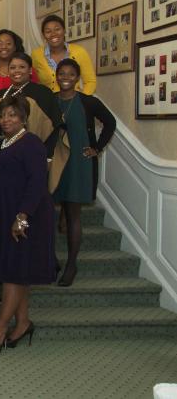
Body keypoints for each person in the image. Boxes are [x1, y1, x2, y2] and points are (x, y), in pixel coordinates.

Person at [0, 95, 55, 356]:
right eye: (2, 115)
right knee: (17, 271)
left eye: (12, 114)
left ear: (24, 118)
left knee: (14, 274)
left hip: (27, 217)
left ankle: (0, 329)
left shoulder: (32, 143)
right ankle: (22, 322)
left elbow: (37, 183)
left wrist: (22, 216)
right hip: (7, 214)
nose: (6, 119)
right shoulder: (4, 144)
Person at [54, 58, 115, 287]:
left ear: (77, 78)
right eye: (62, 73)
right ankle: (50, 260)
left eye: (71, 74)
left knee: (73, 214)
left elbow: (110, 123)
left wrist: (97, 148)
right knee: (44, 211)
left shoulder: (89, 102)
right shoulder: (50, 101)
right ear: (56, 76)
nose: (66, 77)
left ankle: (71, 264)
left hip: (80, 163)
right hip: (55, 163)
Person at [0, 52, 65, 190]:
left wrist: (48, 157)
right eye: (12, 67)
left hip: (33, 157)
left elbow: (54, 127)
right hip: (5, 158)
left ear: (30, 70)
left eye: (22, 67)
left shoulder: (42, 93)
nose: (17, 71)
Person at [31, 14, 97, 95]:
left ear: (64, 31)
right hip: (48, 104)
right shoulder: (36, 55)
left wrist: (80, 100)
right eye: (48, 31)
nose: (53, 34)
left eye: (57, 29)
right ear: (43, 35)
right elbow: (33, 81)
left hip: (73, 102)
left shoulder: (79, 51)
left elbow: (90, 81)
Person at [0, 29, 38, 99]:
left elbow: (35, 92)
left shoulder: (26, 69)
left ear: (15, 47)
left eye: (8, 43)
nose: (4, 47)